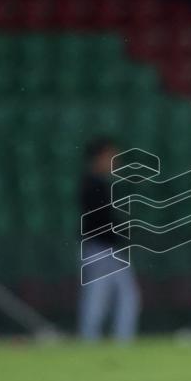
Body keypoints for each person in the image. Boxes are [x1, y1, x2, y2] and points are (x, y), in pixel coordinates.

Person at [78, 138, 142, 342]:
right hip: (98, 248)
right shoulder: (91, 183)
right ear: (99, 157)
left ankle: (121, 339)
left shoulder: (100, 183)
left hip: (107, 248)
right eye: (110, 156)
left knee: (126, 295)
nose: (115, 160)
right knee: (98, 297)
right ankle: (91, 338)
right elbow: (98, 220)